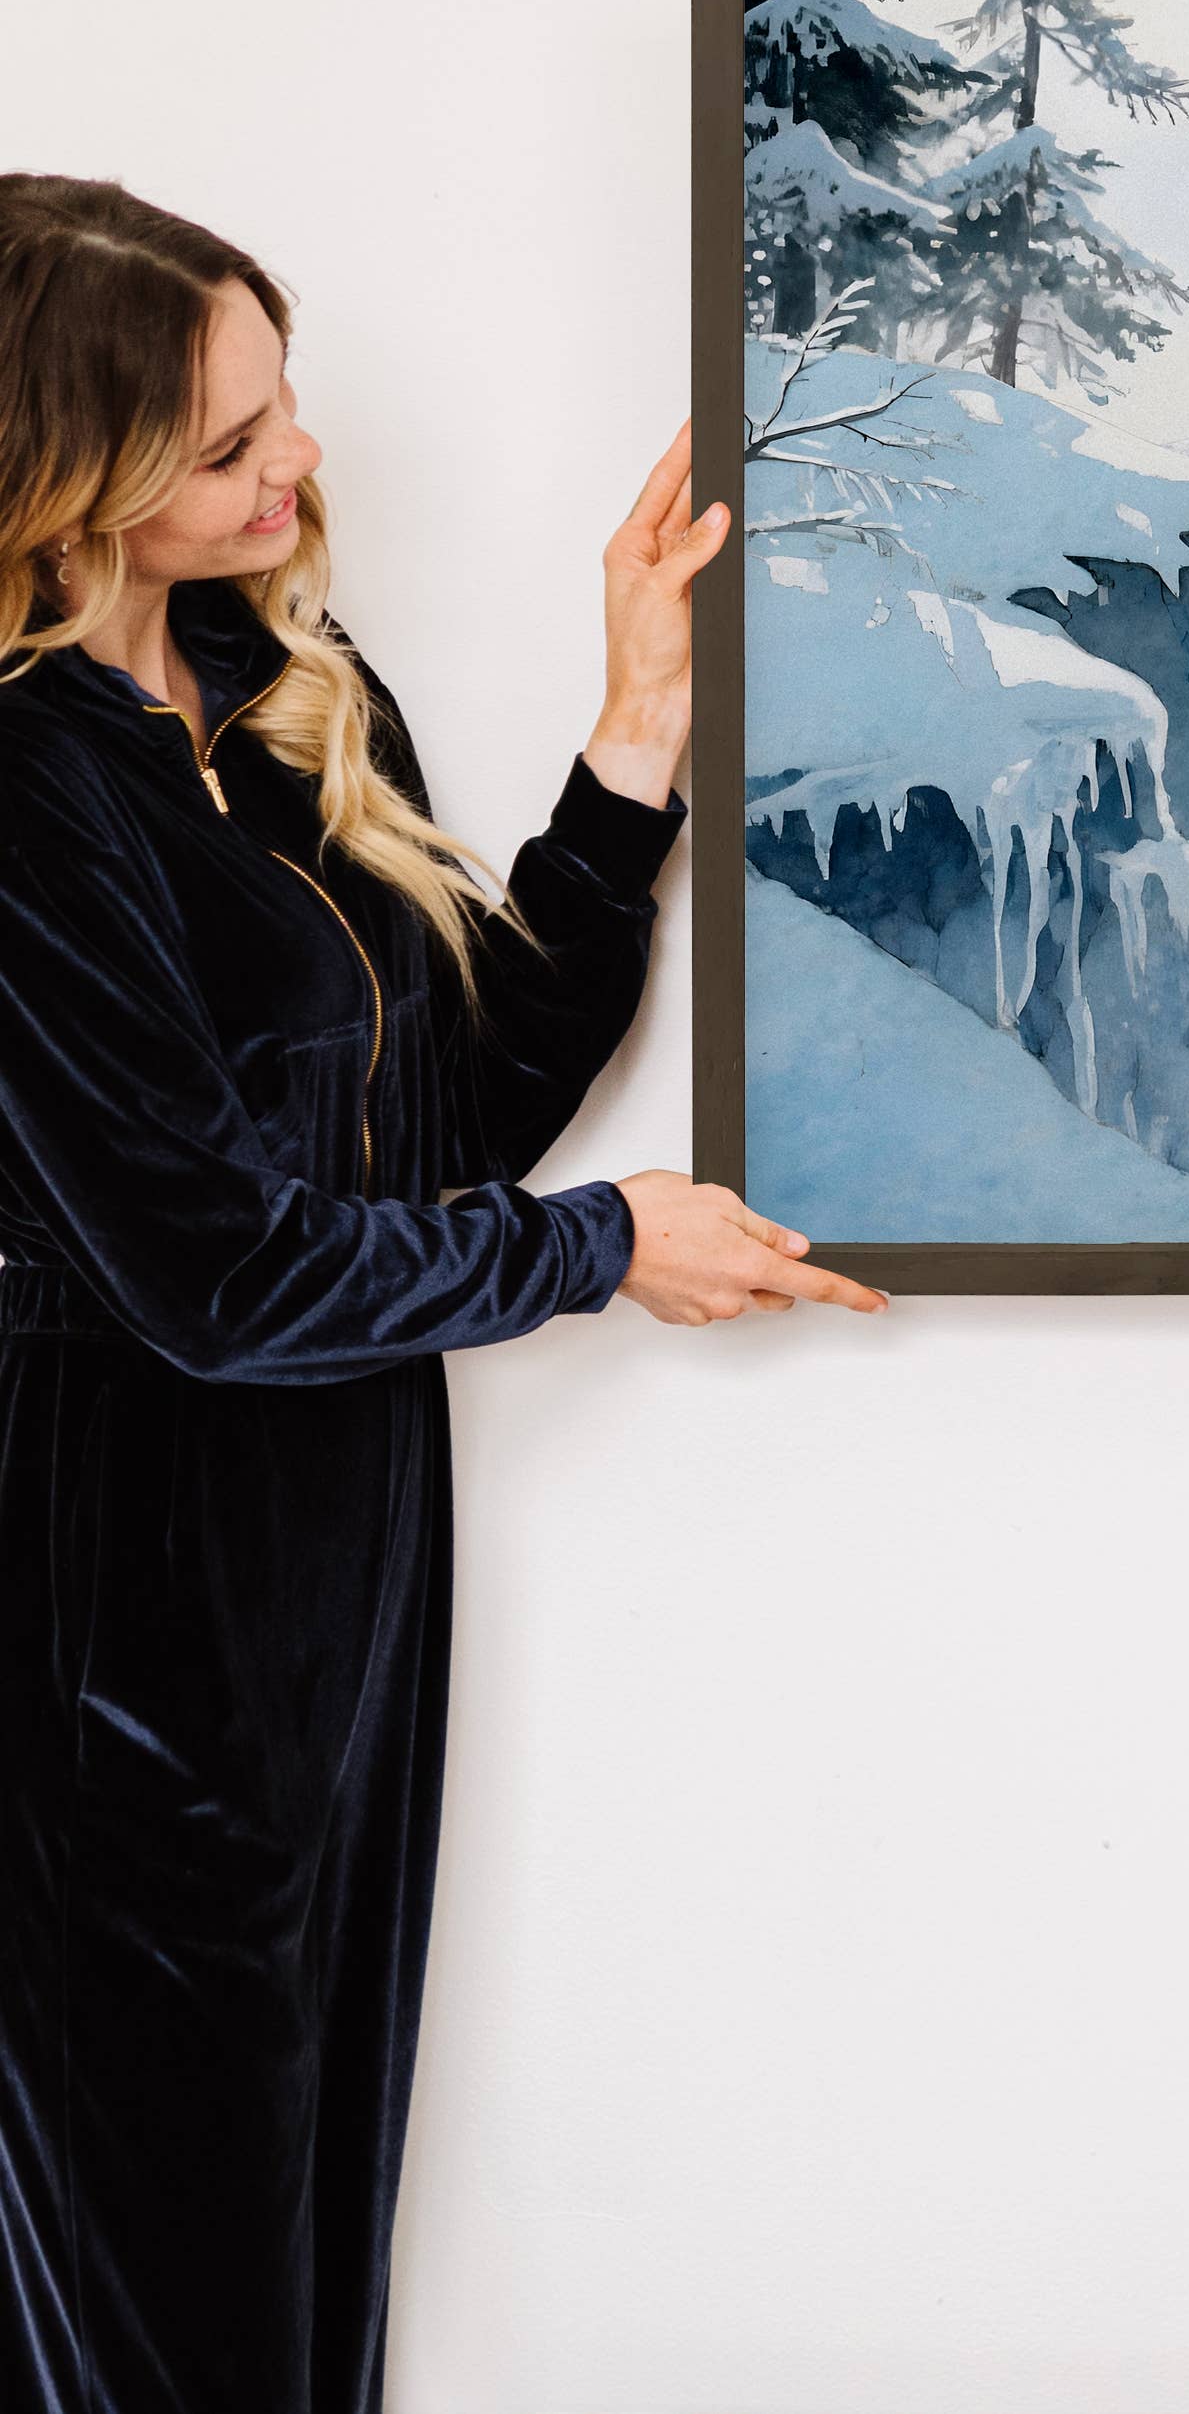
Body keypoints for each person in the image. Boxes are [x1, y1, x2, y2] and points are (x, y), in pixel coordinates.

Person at [0, 173, 888, 2414]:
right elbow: (212, 1272)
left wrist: (637, 728)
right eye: (229, 443)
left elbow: (455, 1104)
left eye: (282, 401)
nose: (298, 463)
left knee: (296, 2269)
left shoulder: (273, 677)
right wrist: (603, 1250)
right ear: (62, 477)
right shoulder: (19, 788)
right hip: (99, 1625)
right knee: (163, 2307)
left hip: (329, 1590)